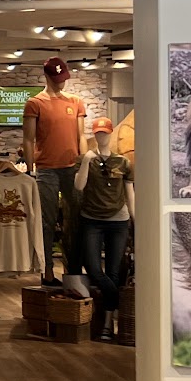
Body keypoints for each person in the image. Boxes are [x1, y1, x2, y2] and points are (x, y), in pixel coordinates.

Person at [22, 58, 86, 283]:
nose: (62, 83)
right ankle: (47, 271)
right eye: (58, 79)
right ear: (48, 77)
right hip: (47, 169)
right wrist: (30, 170)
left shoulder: (75, 101)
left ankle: (75, 269)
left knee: (78, 218)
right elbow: (28, 139)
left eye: (64, 78)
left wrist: (83, 163)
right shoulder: (35, 103)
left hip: (72, 168)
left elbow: (81, 136)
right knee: (46, 222)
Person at [74, 116, 134, 340]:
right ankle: (115, 298)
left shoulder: (123, 162)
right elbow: (79, 186)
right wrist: (86, 161)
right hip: (92, 219)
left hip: (118, 220)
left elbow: (130, 194)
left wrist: (136, 221)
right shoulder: (86, 159)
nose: (101, 137)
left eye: (105, 133)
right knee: (92, 266)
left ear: (110, 134)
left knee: (113, 271)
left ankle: (108, 326)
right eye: (98, 133)